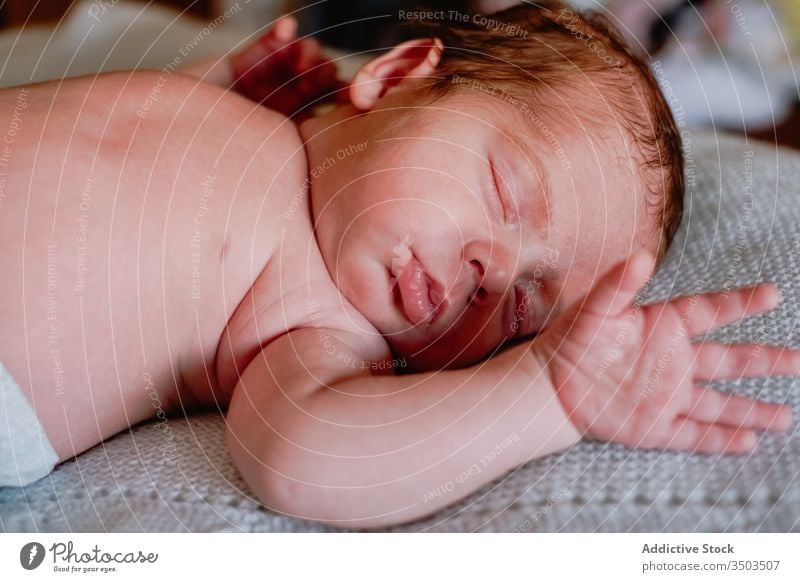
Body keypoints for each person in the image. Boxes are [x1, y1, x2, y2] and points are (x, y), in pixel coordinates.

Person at [0, 2, 794, 528]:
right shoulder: (260, 123)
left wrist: (544, 393)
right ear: (391, 75)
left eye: (524, 309)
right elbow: (105, 133)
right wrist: (218, 87)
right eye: (507, 193)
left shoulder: (320, 319)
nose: (494, 272)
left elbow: (299, 453)